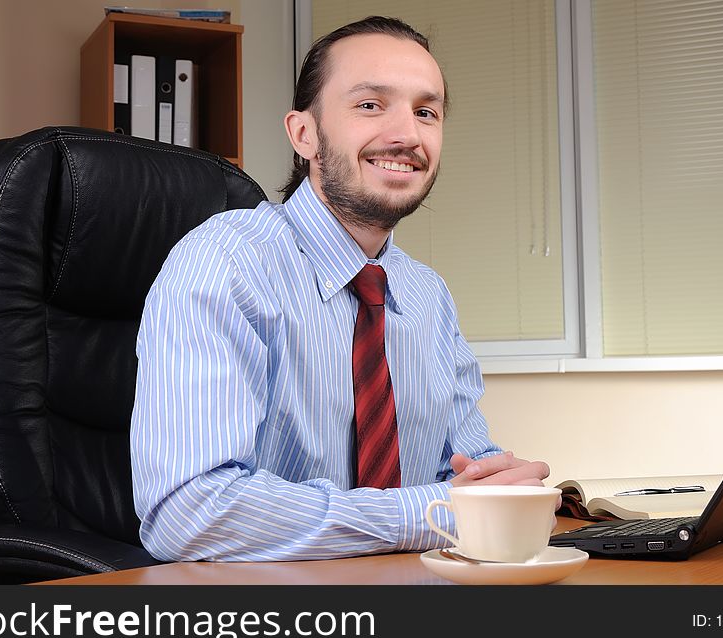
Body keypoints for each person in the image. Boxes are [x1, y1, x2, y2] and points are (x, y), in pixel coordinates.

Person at [130, 15, 553, 562]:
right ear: (304, 134)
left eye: (427, 112)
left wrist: (508, 487)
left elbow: (465, 472)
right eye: (370, 105)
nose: (407, 135)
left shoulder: (427, 295)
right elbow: (190, 513)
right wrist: (439, 513)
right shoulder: (226, 262)